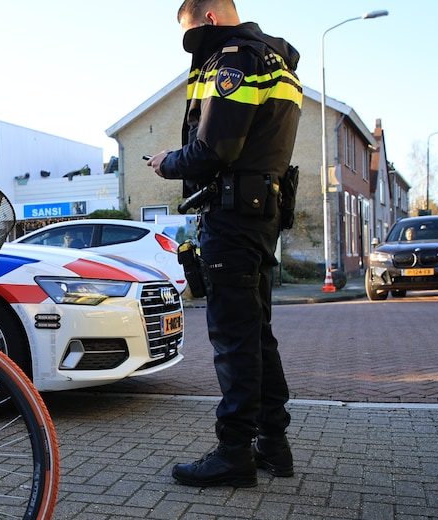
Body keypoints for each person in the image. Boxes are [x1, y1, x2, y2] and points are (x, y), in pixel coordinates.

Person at [148, 0, 302, 488]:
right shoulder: (278, 61)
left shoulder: (234, 58)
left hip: (232, 218)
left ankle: (235, 451)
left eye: (189, 33)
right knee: (257, 335)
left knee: (234, 340)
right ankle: (273, 446)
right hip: (262, 215)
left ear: (210, 19)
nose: (189, 46)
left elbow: (216, 148)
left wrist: (168, 161)